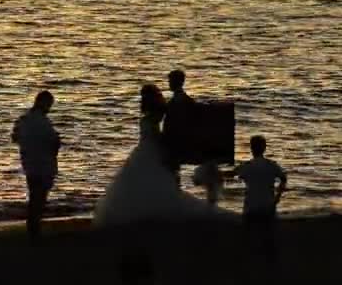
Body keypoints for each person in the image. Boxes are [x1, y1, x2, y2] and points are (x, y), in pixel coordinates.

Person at [93, 84, 235, 228]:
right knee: (149, 182)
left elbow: (156, 134)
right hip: (147, 150)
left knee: (146, 183)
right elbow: (156, 134)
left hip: (147, 151)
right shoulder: (152, 115)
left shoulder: (152, 116)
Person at [12, 90, 61, 241]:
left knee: (34, 196)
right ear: (43, 103)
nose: (49, 108)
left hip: (30, 164)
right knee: (39, 198)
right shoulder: (44, 122)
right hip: (43, 165)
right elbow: (54, 143)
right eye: (49, 104)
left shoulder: (23, 120)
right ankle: (34, 230)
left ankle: (33, 228)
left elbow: (15, 137)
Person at [234, 135, 287, 265]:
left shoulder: (247, 166)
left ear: (251, 148)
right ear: (265, 148)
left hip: (251, 207)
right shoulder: (271, 165)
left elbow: (233, 174)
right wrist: (278, 197)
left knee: (247, 236)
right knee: (269, 237)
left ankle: (247, 262)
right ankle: (270, 263)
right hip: (268, 205)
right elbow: (283, 178)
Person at [162, 69, 195, 188]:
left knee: (173, 172)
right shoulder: (179, 99)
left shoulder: (183, 100)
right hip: (172, 142)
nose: (168, 83)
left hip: (175, 142)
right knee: (172, 172)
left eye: (170, 80)